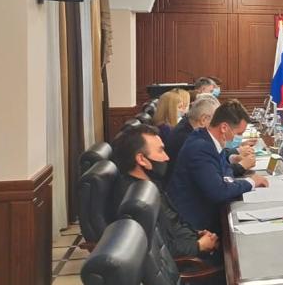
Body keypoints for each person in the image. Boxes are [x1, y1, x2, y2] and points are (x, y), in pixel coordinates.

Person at [110, 124, 219, 259]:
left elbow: (172, 222)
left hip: (188, 241)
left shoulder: (150, 184)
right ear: (141, 159)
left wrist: (196, 234)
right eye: (160, 151)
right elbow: (159, 249)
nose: (167, 157)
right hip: (187, 261)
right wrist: (198, 245)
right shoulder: (139, 201)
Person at [168, 100, 268, 233]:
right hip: (195, 226)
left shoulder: (208, 139)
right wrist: (251, 182)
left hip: (207, 213)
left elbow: (226, 173)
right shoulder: (200, 148)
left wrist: (229, 181)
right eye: (238, 133)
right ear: (224, 127)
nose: (239, 138)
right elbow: (219, 191)